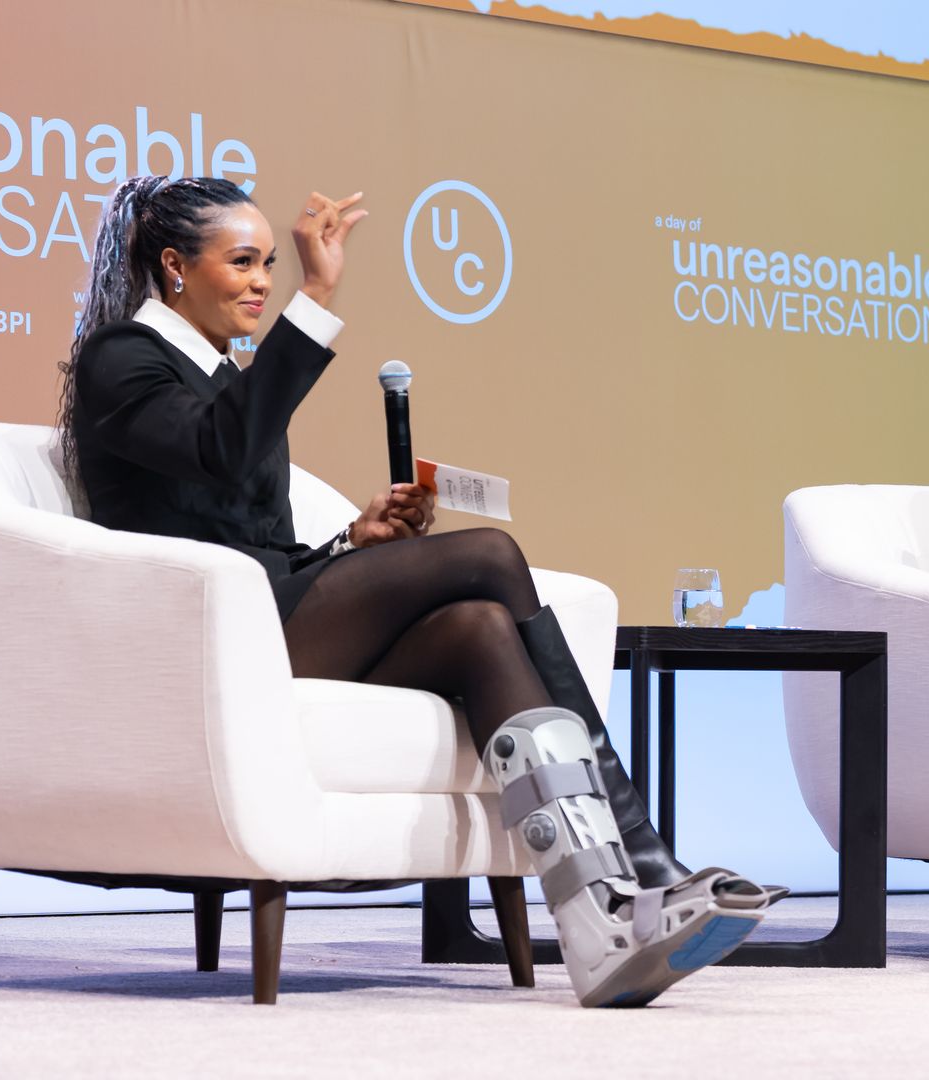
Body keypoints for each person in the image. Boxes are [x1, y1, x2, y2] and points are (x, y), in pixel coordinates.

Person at [57, 175, 777, 1006]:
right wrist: (317, 293)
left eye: (267, 264)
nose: (263, 281)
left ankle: (598, 917)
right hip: (209, 635)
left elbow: (256, 535)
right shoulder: (122, 359)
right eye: (244, 262)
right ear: (175, 267)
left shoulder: (227, 375)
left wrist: (352, 543)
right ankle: (640, 849)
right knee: (490, 557)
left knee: (478, 626)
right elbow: (219, 455)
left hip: (271, 609)